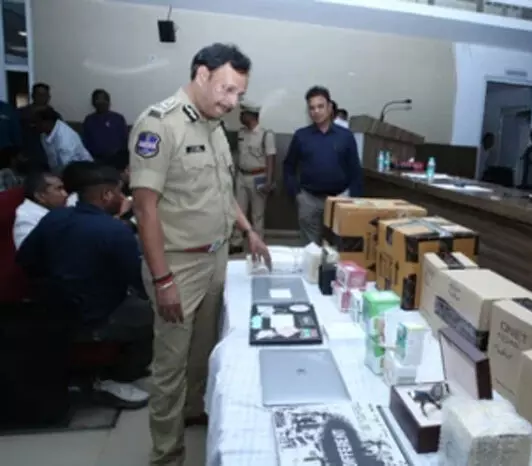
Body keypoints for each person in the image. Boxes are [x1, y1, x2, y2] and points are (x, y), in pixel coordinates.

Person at [129, 42, 271, 466]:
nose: (232, 102)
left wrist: (249, 231)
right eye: (227, 90)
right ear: (202, 75)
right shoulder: (159, 124)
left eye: (239, 94)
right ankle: (166, 455)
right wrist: (163, 280)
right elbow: (145, 209)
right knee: (170, 365)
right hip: (177, 265)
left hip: (216, 257)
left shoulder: (214, 128)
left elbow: (223, 193)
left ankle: (194, 412)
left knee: (204, 350)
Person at [16, 164, 151, 408]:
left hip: (49, 310)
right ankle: (112, 379)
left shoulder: (53, 218)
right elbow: (139, 282)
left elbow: (26, 260)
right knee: (158, 313)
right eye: (119, 192)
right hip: (94, 316)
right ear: (107, 195)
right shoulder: (114, 232)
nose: (123, 198)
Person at [283, 86, 362, 245]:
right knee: (310, 249)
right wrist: (297, 194)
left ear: (330, 107)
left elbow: (355, 170)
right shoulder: (301, 136)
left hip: (339, 200)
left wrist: (354, 200)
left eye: (320, 106)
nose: (316, 111)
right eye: (312, 108)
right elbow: (288, 166)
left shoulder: (345, 136)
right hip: (309, 199)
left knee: (339, 247)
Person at [230, 101, 276, 253]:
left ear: (251, 116)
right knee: (238, 211)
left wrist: (268, 181)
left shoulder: (266, 134)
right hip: (241, 176)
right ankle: (236, 242)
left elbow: (270, 158)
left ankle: (258, 243)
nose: (240, 117)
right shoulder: (241, 133)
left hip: (258, 177)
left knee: (257, 214)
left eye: (243, 114)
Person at [13, 171, 68, 249]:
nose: (65, 194)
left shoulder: (60, 209)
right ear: (40, 196)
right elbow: (29, 254)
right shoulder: (26, 220)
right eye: (59, 189)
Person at [35, 106, 93, 173]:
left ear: (48, 122)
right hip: (61, 170)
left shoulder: (64, 138)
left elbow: (67, 168)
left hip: (82, 172)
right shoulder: (44, 133)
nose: (34, 125)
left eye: (36, 122)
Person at [18, 83, 61, 171]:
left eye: (44, 95)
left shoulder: (55, 116)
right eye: (39, 94)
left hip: (48, 159)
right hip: (26, 158)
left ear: (49, 97)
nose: (41, 98)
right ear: (32, 96)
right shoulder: (21, 114)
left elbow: (60, 137)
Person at [82, 89, 129, 161]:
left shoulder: (118, 118)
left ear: (109, 102)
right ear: (93, 103)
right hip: (96, 159)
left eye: (104, 99)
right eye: (98, 99)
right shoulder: (89, 120)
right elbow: (85, 142)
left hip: (117, 158)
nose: (101, 102)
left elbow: (125, 141)